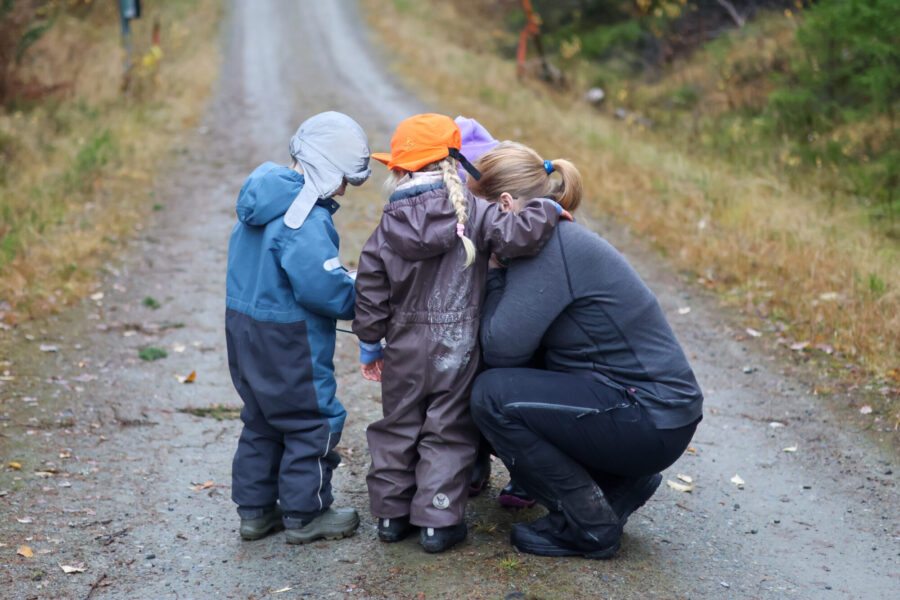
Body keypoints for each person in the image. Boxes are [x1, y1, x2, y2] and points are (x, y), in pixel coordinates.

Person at [468, 141, 704, 558]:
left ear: (504, 205)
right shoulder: (548, 240)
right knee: (514, 380)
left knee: (491, 396)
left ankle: (589, 526)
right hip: (650, 412)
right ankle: (616, 483)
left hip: (648, 416)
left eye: (475, 212)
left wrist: (493, 272)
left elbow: (500, 349)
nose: (470, 225)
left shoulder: (550, 250)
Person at [352, 114, 567, 553]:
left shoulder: (386, 227)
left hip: (404, 350)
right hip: (459, 348)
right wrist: (545, 206)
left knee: (397, 428)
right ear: (455, 165)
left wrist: (370, 343)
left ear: (398, 169)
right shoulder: (476, 213)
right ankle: (437, 521)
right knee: (448, 430)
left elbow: (369, 289)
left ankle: (392, 517)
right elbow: (519, 235)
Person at [225, 111, 370, 544]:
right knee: (312, 420)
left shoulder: (261, 201)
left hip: (243, 330)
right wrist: (358, 294)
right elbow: (323, 288)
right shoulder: (305, 217)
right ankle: (305, 514)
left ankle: (254, 512)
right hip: (287, 339)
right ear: (326, 168)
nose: (344, 188)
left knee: (262, 418)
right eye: (343, 178)